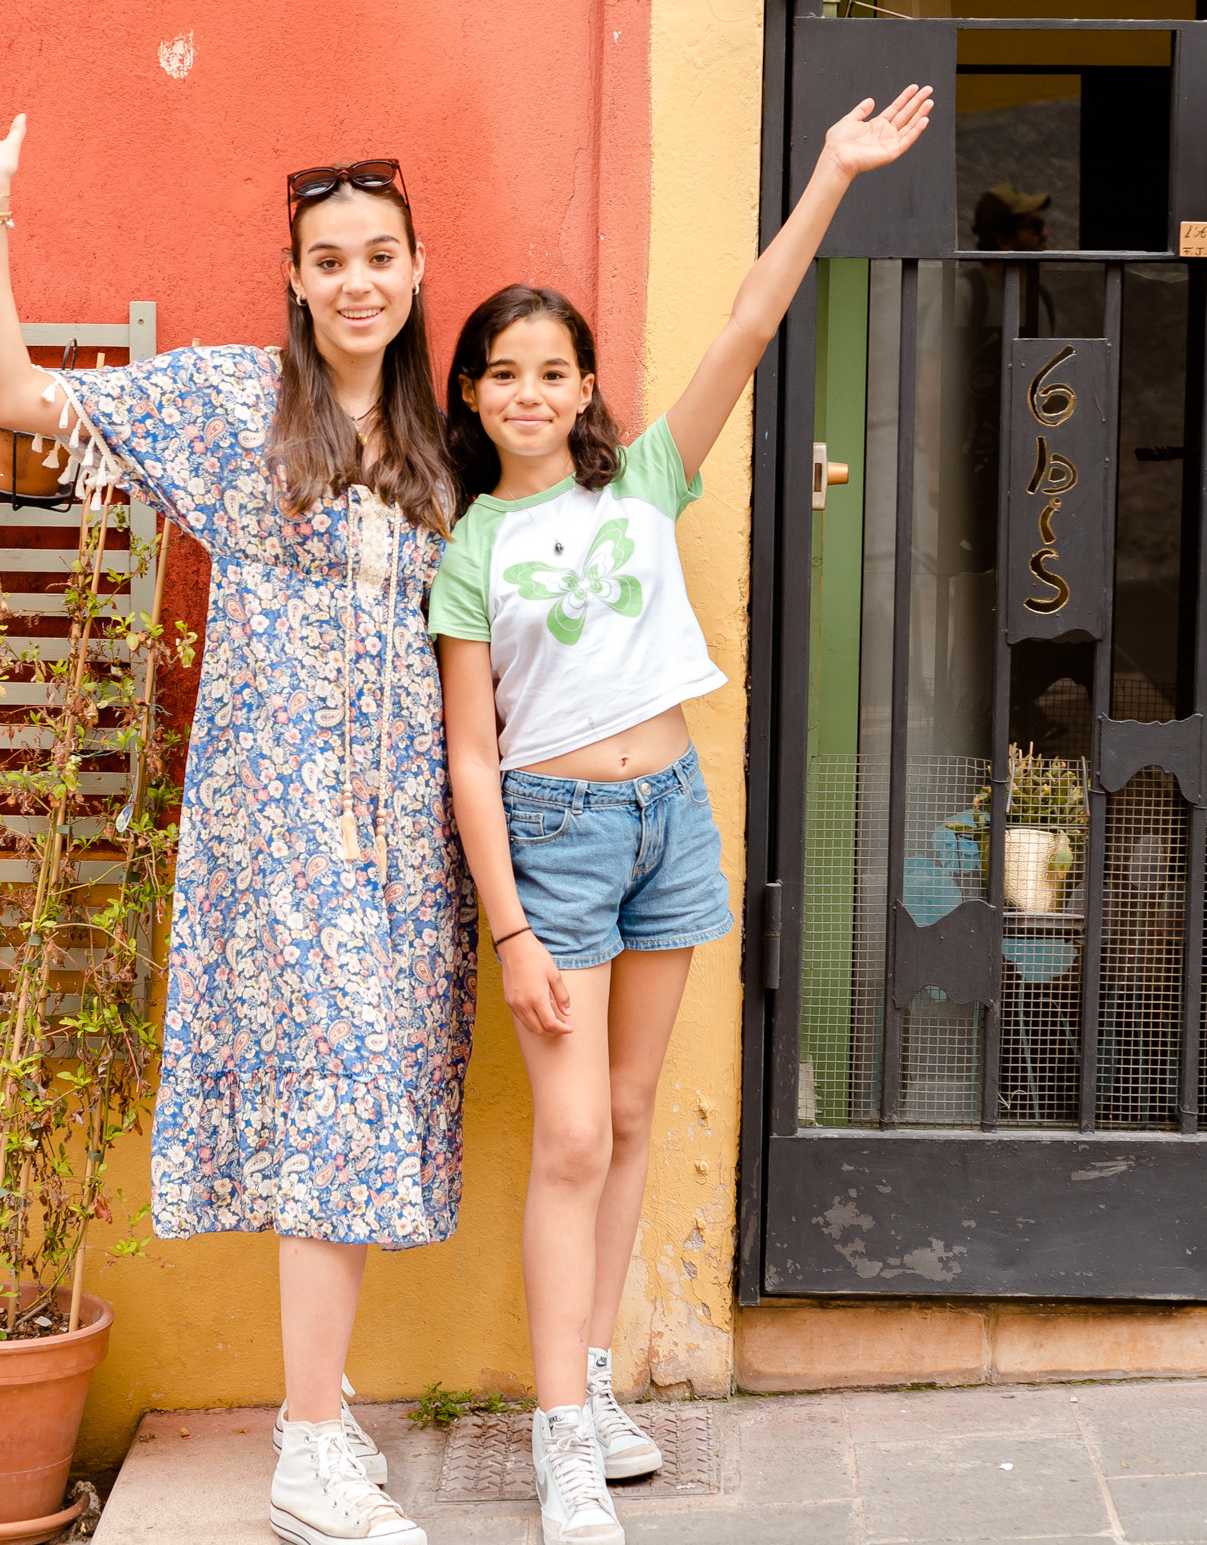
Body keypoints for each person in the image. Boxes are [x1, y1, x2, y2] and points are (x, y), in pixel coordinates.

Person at [0, 95, 474, 1545]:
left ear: (417, 270)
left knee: (348, 1105)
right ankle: (305, 1443)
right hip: (276, 811)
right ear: (293, 276)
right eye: (331, 258)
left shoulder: (438, 435)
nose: (359, 281)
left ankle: (322, 1416)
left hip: (404, 826)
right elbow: (11, 397)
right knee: (341, 1085)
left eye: (383, 256)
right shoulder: (234, 403)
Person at [431, 84, 932, 1545]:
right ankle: (559, 1436)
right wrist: (511, 924)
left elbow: (747, 328)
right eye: (503, 372)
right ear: (472, 395)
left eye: (555, 369)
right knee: (572, 1136)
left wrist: (834, 172)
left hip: (670, 822)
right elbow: (472, 754)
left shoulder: (644, 486)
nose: (530, 391)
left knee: (635, 1112)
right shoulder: (471, 548)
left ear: (589, 387)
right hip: (557, 844)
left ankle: (590, 1376)